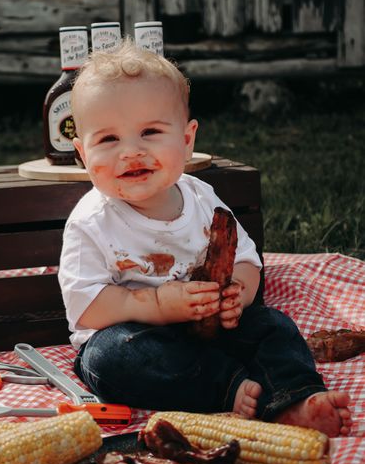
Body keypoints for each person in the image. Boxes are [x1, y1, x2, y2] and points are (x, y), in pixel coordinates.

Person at [58, 39, 351, 437]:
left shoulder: (201, 198)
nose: (131, 151)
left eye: (150, 132)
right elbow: (87, 307)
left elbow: (246, 260)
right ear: (81, 153)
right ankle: (229, 390)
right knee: (110, 360)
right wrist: (160, 304)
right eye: (108, 140)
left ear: (186, 139)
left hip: (215, 331)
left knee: (272, 325)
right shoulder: (90, 222)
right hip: (141, 336)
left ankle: (296, 397)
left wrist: (237, 294)